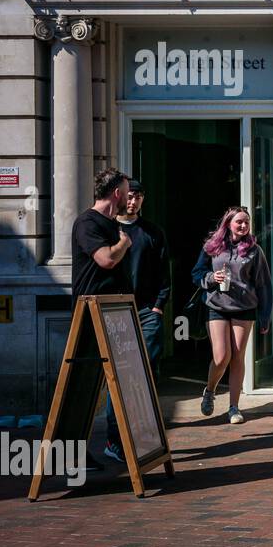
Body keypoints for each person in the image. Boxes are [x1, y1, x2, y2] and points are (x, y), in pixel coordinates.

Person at [100, 178, 172, 463]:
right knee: (118, 374)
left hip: (146, 312)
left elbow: (164, 274)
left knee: (145, 372)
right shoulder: (107, 230)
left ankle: (144, 434)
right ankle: (114, 438)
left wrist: (158, 307)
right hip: (115, 311)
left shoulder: (153, 232)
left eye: (138, 196)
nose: (133, 201)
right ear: (120, 197)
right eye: (129, 196)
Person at [71, 167, 133, 469]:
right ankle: (71, 454)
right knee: (81, 386)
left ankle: (121, 444)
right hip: (89, 313)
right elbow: (106, 259)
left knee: (117, 382)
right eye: (126, 190)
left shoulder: (111, 224)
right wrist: (123, 243)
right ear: (117, 193)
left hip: (112, 312)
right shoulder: (88, 223)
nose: (129, 197)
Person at [191, 206, 273, 425]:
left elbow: (264, 285)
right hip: (216, 305)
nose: (244, 226)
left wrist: (265, 316)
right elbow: (196, 273)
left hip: (244, 308)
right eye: (239, 222)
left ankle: (234, 407)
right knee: (221, 356)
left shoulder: (254, 251)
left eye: (246, 222)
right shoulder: (212, 247)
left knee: (238, 356)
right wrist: (210, 278)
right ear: (228, 223)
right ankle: (210, 390)